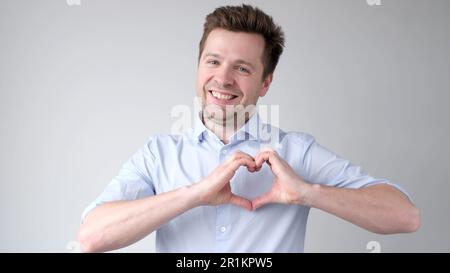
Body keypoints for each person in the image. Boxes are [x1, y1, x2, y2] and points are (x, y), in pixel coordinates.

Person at [78, 4, 420, 253]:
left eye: (241, 68)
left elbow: (405, 217)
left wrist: (306, 192)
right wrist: (194, 195)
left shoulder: (296, 153)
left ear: (265, 83)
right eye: (213, 61)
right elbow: (92, 237)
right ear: (198, 66)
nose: (222, 79)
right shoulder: (159, 154)